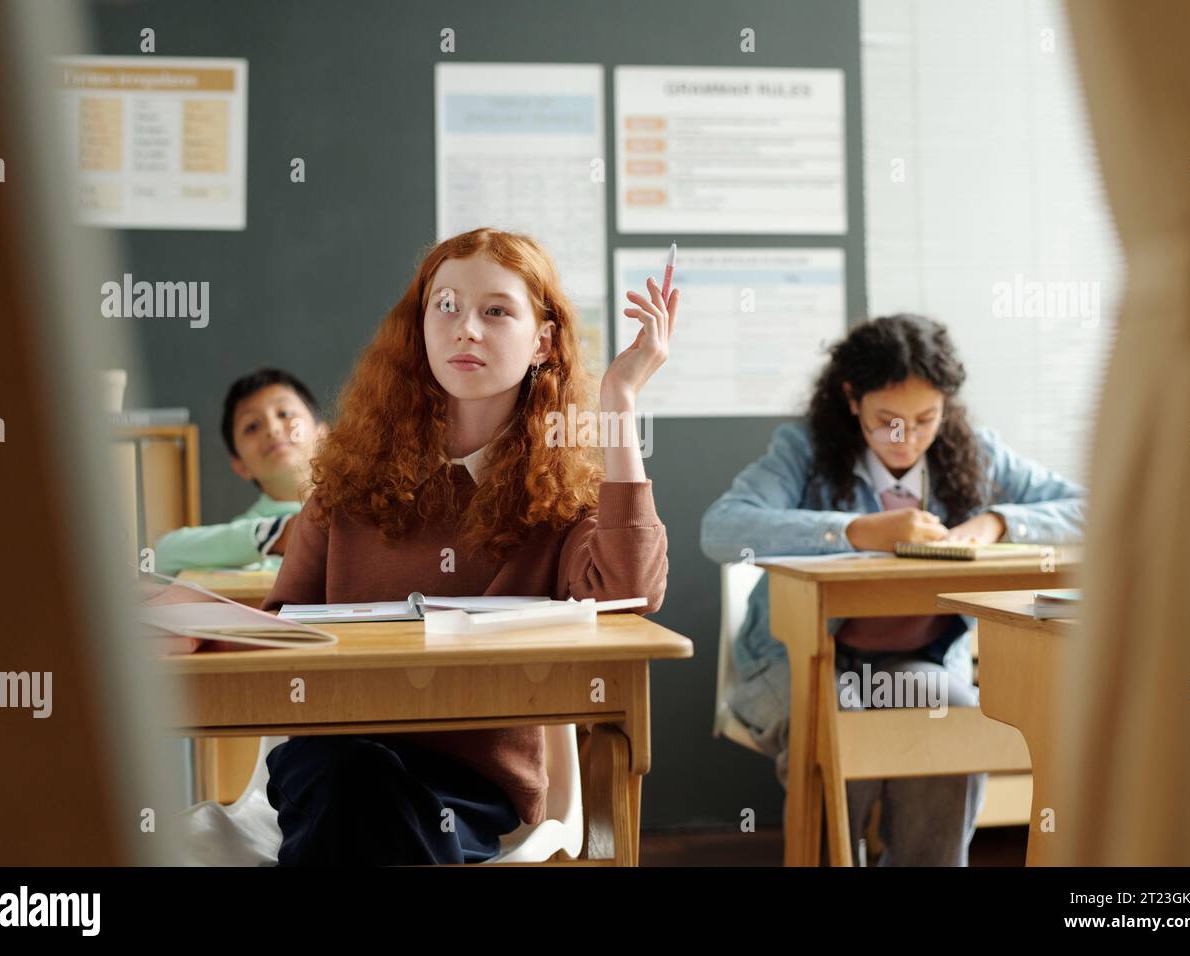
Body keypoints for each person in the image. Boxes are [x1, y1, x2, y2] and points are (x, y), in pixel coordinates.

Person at [261, 227, 676, 864]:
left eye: (496, 310)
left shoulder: (564, 490)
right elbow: (276, 632)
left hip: (469, 786)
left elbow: (629, 593)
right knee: (356, 779)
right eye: (446, 306)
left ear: (542, 340)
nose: (466, 329)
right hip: (331, 758)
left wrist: (618, 402)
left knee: (376, 806)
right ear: (420, 326)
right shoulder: (347, 477)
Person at [700, 313, 1086, 865]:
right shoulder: (804, 450)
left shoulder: (977, 454)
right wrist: (853, 530)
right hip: (806, 661)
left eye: (926, 419)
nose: (906, 438)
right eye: (887, 420)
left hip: (920, 665)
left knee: (954, 716)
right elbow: (722, 528)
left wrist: (998, 521)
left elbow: (1089, 507)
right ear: (852, 398)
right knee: (837, 719)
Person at [153, 368, 327, 576]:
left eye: (285, 413)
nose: (272, 428)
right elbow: (161, 555)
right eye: (252, 426)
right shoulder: (241, 542)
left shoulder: (360, 509)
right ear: (240, 465)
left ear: (324, 437)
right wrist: (276, 535)